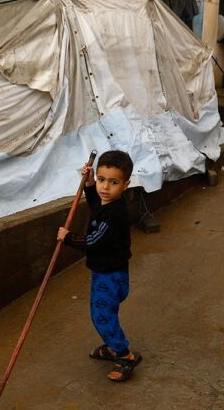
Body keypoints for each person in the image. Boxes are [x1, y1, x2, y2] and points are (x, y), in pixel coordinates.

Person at [57, 150, 141, 382]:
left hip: (111, 276)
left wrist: (68, 237)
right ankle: (114, 345)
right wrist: (90, 182)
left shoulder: (114, 214)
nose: (105, 187)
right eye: (102, 180)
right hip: (106, 272)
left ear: (125, 184)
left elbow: (94, 241)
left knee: (102, 315)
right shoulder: (107, 203)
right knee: (104, 313)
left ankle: (124, 354)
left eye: (113, 182)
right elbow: (96, 203)